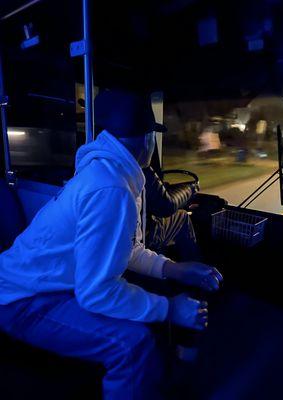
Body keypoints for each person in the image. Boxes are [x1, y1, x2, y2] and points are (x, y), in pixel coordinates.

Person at [0, 88, 223, 400]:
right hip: (22, 299)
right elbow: (97, 292)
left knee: (142, 305)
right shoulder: (111, 188)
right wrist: (170, 308)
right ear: (146, 139)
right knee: (132, 345)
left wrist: (173, 269)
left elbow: (126, 249)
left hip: (46, 285)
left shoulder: (115, 172)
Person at [143, 165, 202, 262]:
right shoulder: (140, 165)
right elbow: (167, 206)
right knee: (182, 216)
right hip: (144, 237)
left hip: (126, 235)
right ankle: (194, 267)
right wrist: (191, 189)